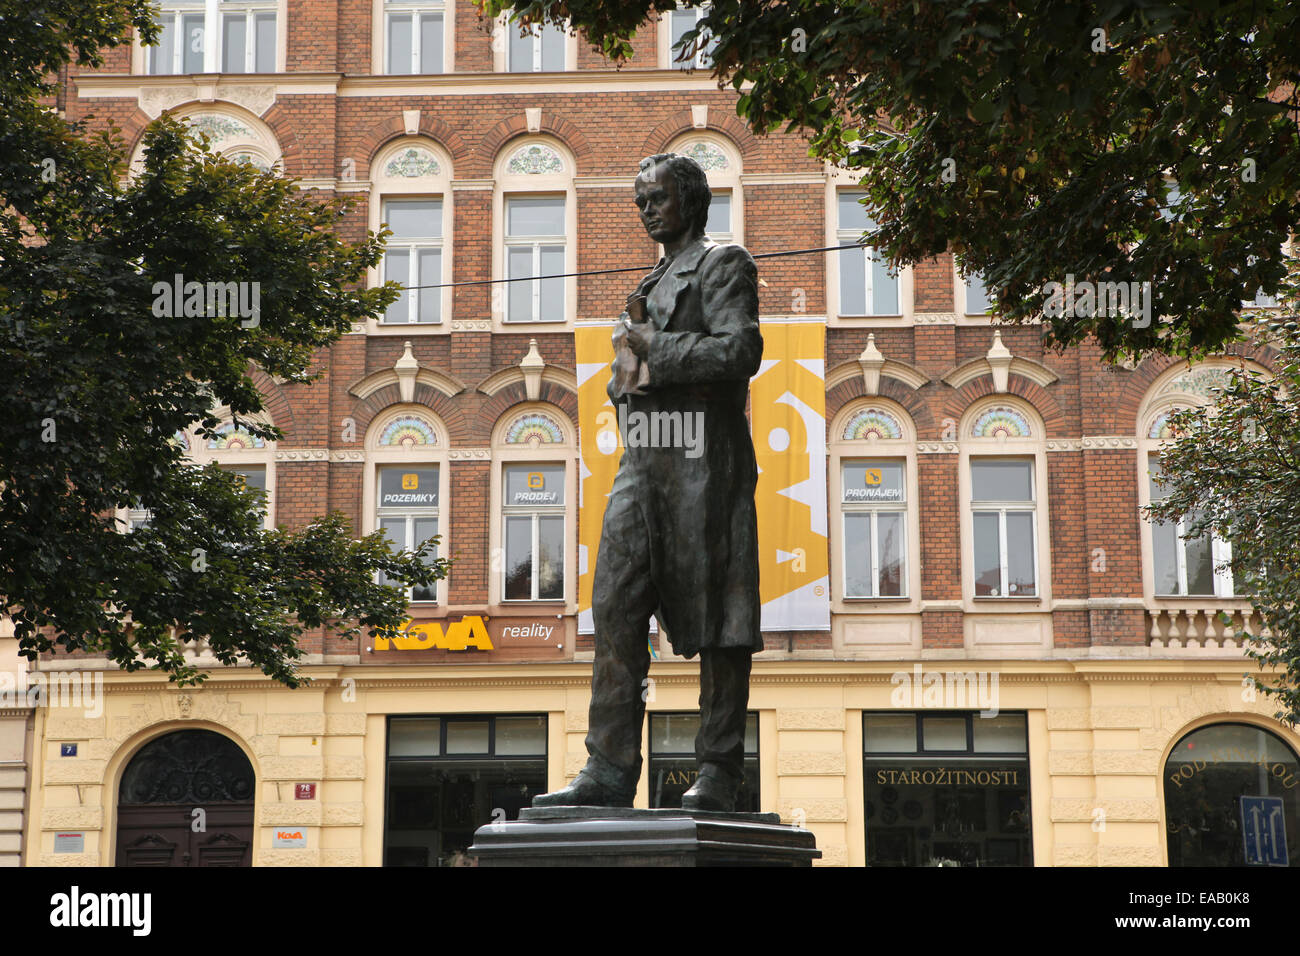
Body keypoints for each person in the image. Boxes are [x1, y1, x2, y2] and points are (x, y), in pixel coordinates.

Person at [532, 152, 763, 812]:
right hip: (644, 461)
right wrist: (626, 367)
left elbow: (741, 351)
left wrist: (650, 349)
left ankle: (719, 768)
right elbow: (628, 384)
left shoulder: (723, 261)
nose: (646, 210)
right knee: (614, 604)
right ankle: (608, 767)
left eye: (657, 198)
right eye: (639, 202)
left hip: (703, 460)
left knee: (723, 613)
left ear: (690, 199)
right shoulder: (648, 283)